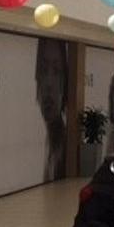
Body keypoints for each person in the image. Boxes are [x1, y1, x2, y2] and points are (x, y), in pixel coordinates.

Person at [35, 38, 67, 181]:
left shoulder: (65, 146)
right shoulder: (41, 142)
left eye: (56, 71)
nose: (49, 83)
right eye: (43, 69)